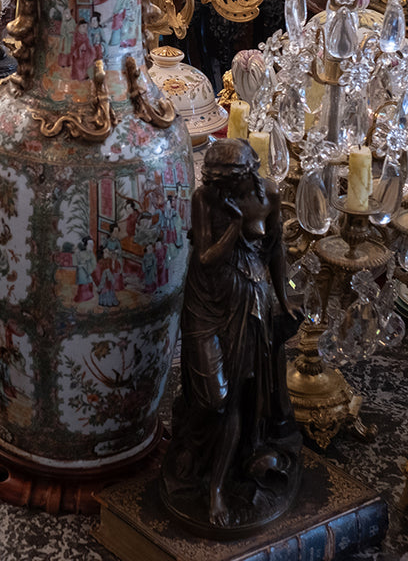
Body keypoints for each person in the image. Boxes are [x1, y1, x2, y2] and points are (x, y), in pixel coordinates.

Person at [160, 139, 300, 532]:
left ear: (247, 175)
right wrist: (235, 228)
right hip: (205, 303)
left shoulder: (268, 194)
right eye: (215, 182)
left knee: (235, 396)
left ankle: (218, 486)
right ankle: (194, 455)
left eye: (228, 183)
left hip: (248, 301)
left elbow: (275, 248)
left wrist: (284, 297)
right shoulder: (205, 199)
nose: (220, 189)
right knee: (211, 397)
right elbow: (205, 257)